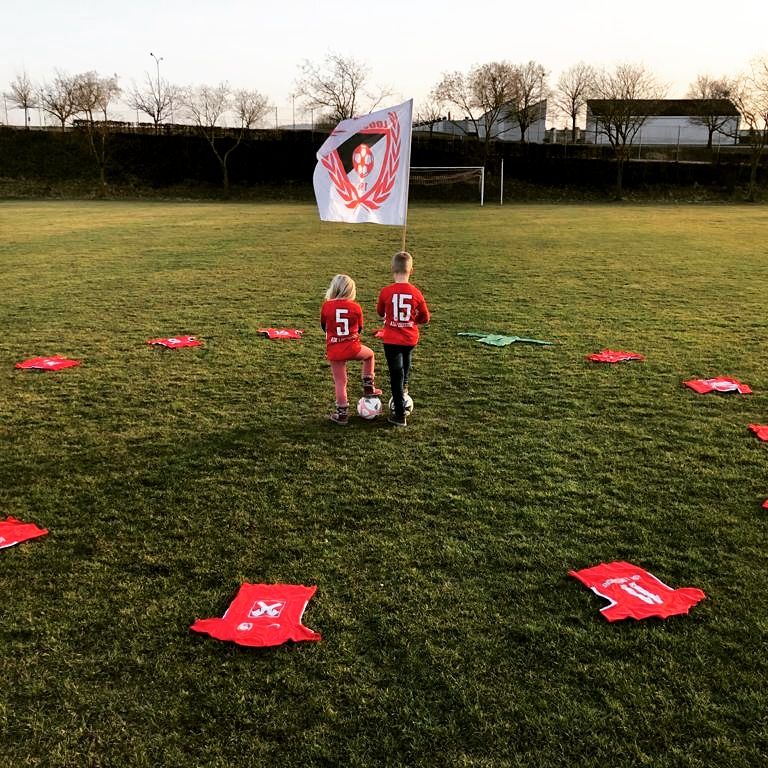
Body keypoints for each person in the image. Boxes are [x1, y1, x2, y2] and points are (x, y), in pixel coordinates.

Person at [376, 251, 431, 427]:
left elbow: (380, 312)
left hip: (391, 339)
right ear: (411, 270)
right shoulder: (416, 293)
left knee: (395, 375)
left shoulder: (386, 291)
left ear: (392, 268)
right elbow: (425, 318)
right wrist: (412, 320)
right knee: (406, 363)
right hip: (410, 338)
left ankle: (399, 415)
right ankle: (405, 386)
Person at [320, 274, 382, 425]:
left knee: (340, 382)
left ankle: (342, 414)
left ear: (333, 289)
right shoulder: (355, 307)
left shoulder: (327, 306)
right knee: (369, 355)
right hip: (353, 347)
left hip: (335, 349)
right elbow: (359, 328)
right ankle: (368, 386)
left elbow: (324, 327)